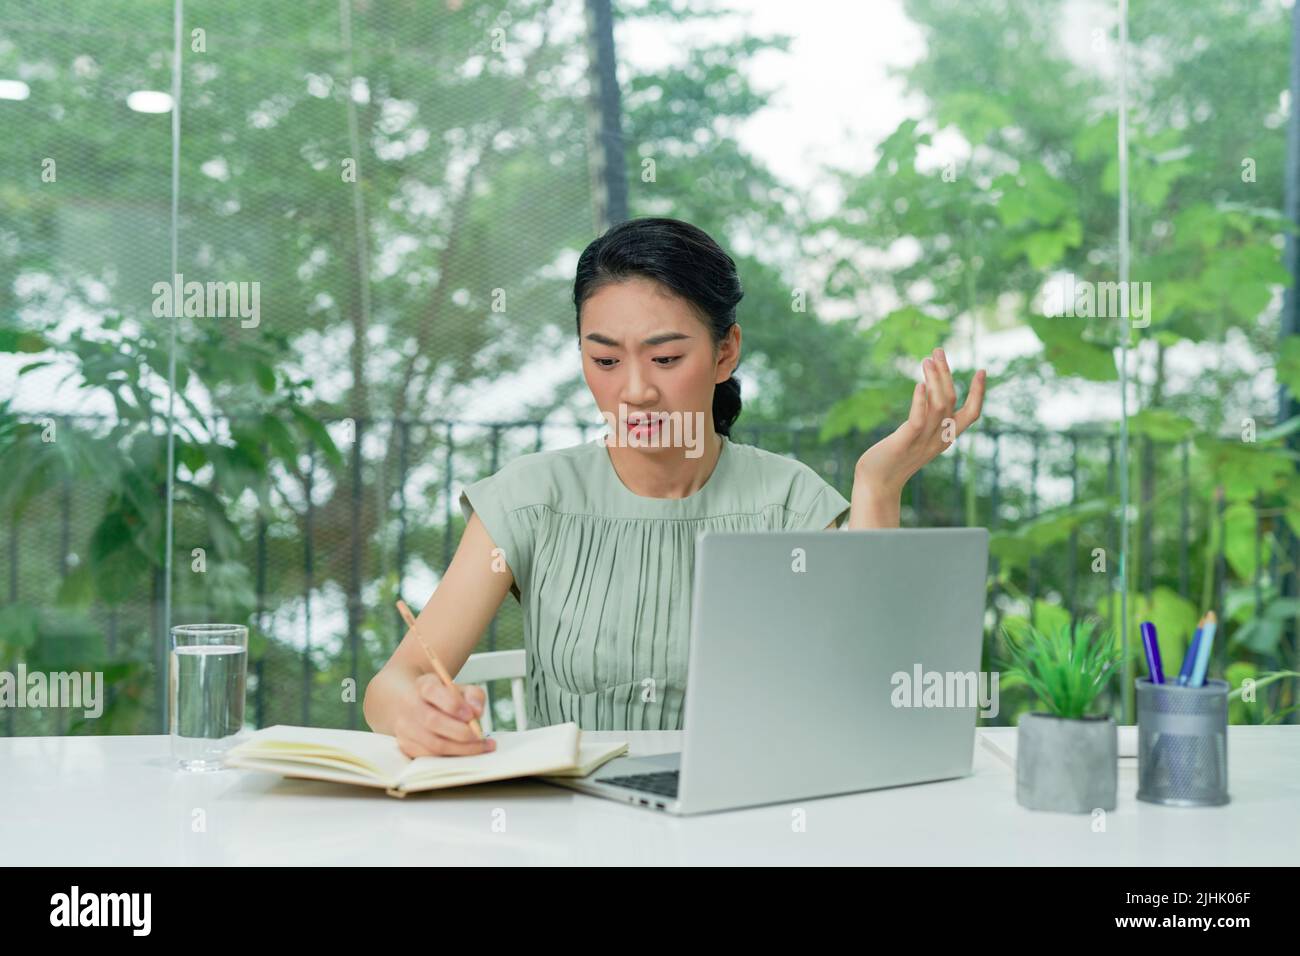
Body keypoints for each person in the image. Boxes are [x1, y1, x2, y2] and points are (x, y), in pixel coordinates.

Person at [363, 217, 986, 756]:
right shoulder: (531, 500)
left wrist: (879, 486)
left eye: (664, 359)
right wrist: (417, 714)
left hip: (748, 826)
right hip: (574, 834)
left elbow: (872, 686)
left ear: (724, 353)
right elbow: (394, 683)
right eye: (605, 360)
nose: (635, 390)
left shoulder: (788, 502)